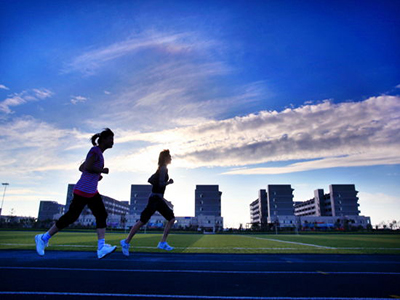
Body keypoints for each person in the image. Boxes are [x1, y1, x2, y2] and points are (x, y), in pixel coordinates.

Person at [35, 128, 117, 259]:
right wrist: (101, 171)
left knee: (101, 214)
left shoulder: (98, 153)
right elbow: (88, 167)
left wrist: (96, 175)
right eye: (111, 138)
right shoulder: (95, 150)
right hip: (83, 190)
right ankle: (43, 238)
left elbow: (82, 168)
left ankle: (101, 247)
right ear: (104, 140)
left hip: (91, 191)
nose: (113, 141)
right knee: (71, 217)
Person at [120, 149, 176, 256]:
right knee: (142, 221)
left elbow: (150, 180)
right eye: (169, 156)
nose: (171, 158)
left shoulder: (160, 169)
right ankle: (126, 242)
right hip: (155, 199)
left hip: (157, 199)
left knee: (171, 219)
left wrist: (162, 183)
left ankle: (162, 242)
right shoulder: (163, 169)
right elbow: (159, 184)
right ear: (165, 158)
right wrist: (168, 182)